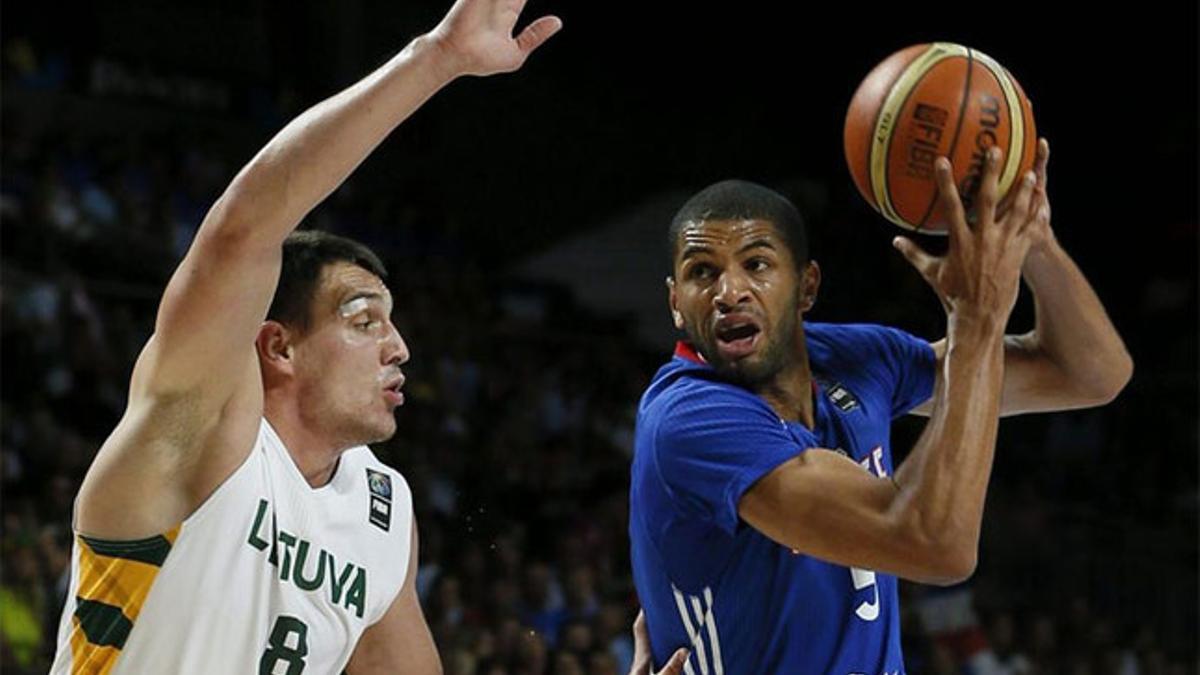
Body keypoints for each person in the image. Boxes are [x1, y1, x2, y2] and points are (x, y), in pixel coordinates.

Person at [47, 1, 560, 673]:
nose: (399, 345)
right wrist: (435, 59)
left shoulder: (383, 511)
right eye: (363, 318)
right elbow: (243, 230)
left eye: (393, 320)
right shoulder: (207, 427)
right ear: (278, 346)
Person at [629, 142, 1133, 674]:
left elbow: (1091, 373)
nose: (729, 291)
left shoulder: (852, 360)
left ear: (807, 287)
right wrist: (977, 322)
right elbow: (937, 545)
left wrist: (1032, 239)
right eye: (702, 273)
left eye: (756, 263)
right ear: (676, 305)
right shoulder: (689, 420)